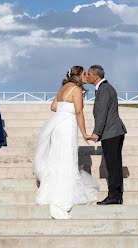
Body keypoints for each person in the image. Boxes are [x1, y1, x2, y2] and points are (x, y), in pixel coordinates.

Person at [33, 66, 98, 219]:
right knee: (67, 156)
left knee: (57, 156)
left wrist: (64, 110)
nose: (85, 77)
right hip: (67, 126)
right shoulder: (76, 90)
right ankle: (65, 190)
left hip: (57, 125)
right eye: (83, 74)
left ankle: (51, 189)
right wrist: (84, 133)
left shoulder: (63, 88)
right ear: (77, 75)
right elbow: (79, 112)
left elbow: (53, 106)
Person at [87, 64, 127, 205]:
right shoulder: (104, 88)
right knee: (114, 165)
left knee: (113, 165)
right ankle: (117, 195)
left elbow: (102, 113)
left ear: (96, 76)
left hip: (111, 133)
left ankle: (114, 196)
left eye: (89, 74)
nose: (87, 76)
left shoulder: (104, 90)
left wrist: (96, 132)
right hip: (113, 132)